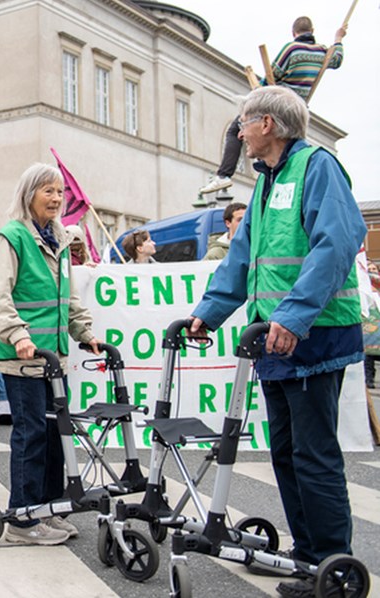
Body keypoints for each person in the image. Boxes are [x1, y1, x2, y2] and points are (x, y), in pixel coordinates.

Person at [188, 86, 363, 598]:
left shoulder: (315, 166)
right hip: (275, 337)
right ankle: (310, 559)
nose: (238, 134)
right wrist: (207, 314)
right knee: (286, 453)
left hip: (313, 334)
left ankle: (336, 566)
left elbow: (337, 242)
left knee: (313, 454)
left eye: (242, 124)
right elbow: (241, 259)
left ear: (267, 124)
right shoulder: (267, 182)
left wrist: (294, 313)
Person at [0, 163, 99, 546]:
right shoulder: (11, 237)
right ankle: (23, 520)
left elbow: (67, 297)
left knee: (56, 431)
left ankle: (49, 508)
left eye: (59, 192)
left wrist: (85, 332)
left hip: (53, 357)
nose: (57, 199)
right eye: (48, 191)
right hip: (23, 355)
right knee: (31, 434)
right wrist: (16, 334)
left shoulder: (58, 238)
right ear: (29, 195)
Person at [199, 16, 346, 195]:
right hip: (298, 108)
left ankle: (224, 175)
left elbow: (272, 76)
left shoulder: (292, 49)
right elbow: (337, 59)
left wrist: (255, 95)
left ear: (294, 33)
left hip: (278, 103)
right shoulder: (322, 52)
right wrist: (338, 38)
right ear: (312, 31)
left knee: (236, 130)